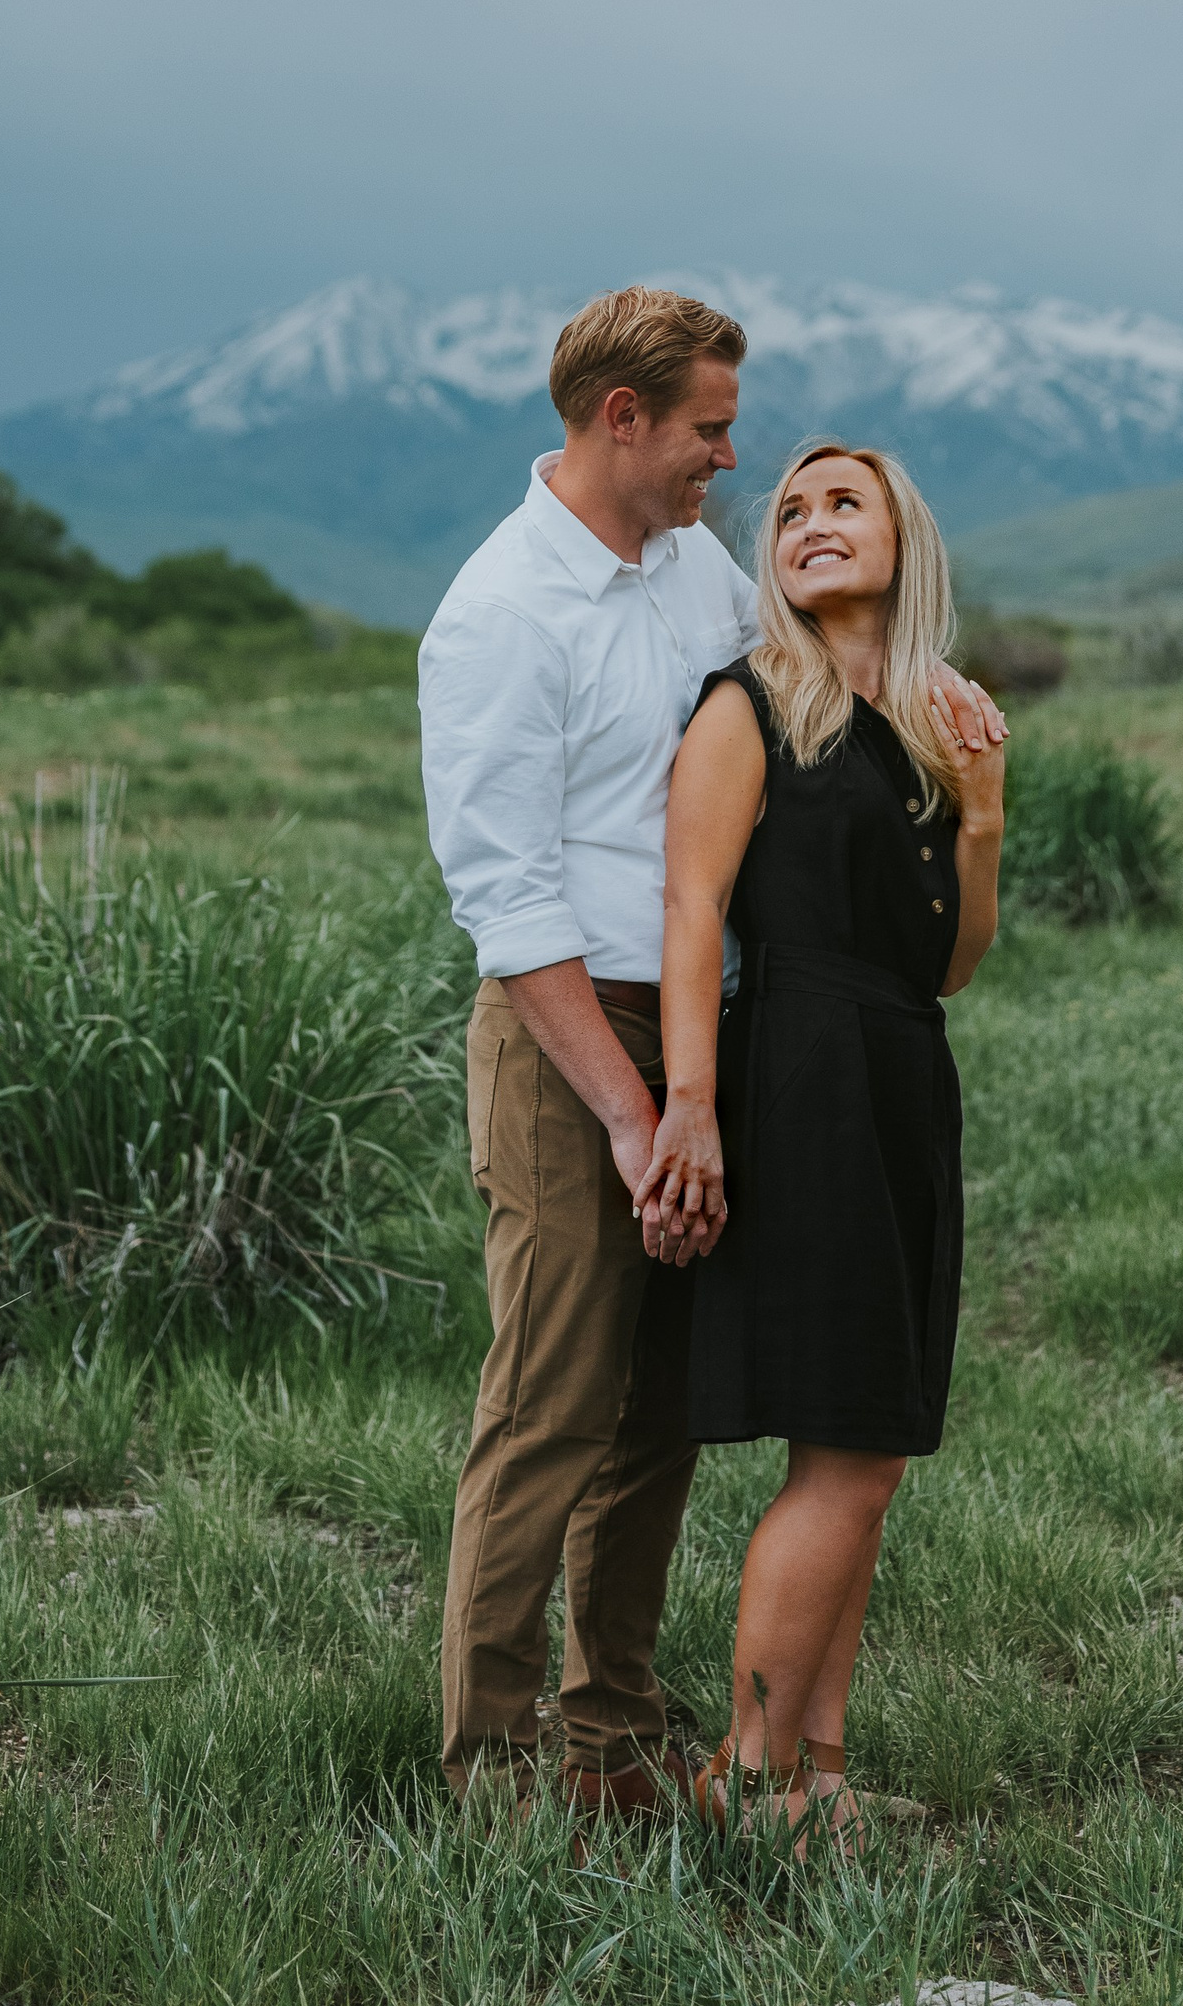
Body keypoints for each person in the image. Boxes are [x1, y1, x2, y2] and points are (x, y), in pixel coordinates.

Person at [420, 292, 1004, 1822]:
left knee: (663, 1412)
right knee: (551, 1399)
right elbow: (508, 899)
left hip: (724, 1041)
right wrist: (636, 1111)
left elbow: (821, 726)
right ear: (624, 417)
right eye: (709, 430)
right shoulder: (499, 615)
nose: (729, 460)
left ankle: (609, 1739)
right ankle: (488, 1768)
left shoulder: (692, 581)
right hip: (571, 1030)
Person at [638, 439, 1003, 1849]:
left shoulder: (926, 722)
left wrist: (979, 810)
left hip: (904, 1073)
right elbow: (691, 910)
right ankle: (746, 1781)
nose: (808, 524)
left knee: (876, 1448)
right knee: (841, 1450)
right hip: (795, 1072)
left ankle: (819, 1773)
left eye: (842, 503)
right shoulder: (747, 706)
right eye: (788, 510)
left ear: (905, 536)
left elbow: (953, 960)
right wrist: (689, 1105)